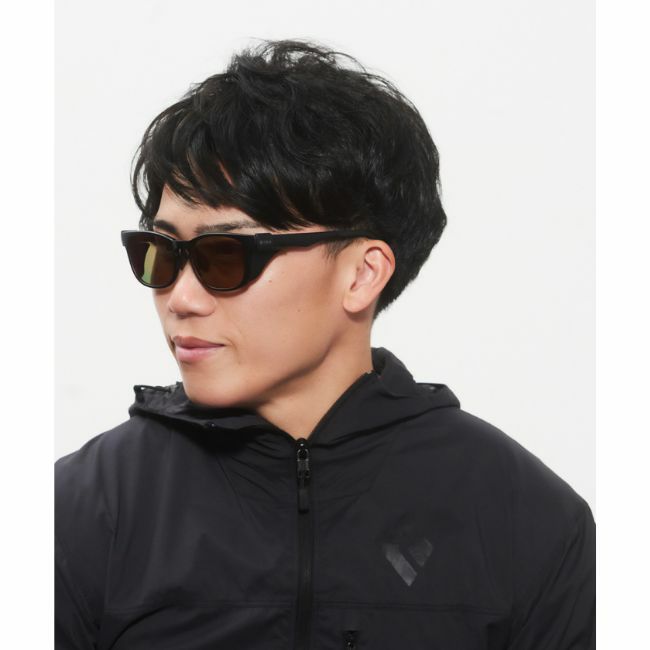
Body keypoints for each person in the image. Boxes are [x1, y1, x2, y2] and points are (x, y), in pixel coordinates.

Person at [55, 39, 595, 649]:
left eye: (224, 255)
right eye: (159, 253)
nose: (180, 297)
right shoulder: (80, 513)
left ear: (363, 274)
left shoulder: (527, 520)